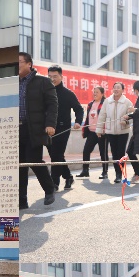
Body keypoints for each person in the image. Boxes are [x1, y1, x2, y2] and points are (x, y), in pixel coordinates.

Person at [17, 52, 58, 208]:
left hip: (34, 128)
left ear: (29, 64)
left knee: (33, 160)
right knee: (19, 166)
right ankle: (21, 200)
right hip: (15, 129)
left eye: (19, 62)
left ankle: (49, 189)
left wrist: (50, 124)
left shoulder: (42, 82)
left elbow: (52, 104)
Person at [46, 66, 85, 190]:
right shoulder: (45, 92)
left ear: (61, 77)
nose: (52, 79)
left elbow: (79, 109)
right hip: (48, 129)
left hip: (63, 129)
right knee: (55, 155)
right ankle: (68, 177)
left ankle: (54, 183)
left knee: (56, 155)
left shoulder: (68, 94)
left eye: (55, 76)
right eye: (50, 76)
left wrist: (78, 122)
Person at [96, 82, 133, 183]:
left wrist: (126, 121)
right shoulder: (107, 101)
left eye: (118, 88)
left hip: (123, 131)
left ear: (123, 90)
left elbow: (132, 116)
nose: (116, 89)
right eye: (114, 88)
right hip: (110, 131)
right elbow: (102, 116)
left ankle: (120, 174)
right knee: (114, 153)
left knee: (121, 152)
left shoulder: (127, 102)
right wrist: (99, 129)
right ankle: (117, 173)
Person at [78, 86, 107, 178]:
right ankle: (85, 170)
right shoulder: (90, 104)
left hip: (101, 132)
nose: (95, 94)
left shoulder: (105, 104)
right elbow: (88, 118)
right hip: (91, 132)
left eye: (97, 92)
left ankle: (104, 172)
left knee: (103, 152)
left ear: (102, 94)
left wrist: (104, 129)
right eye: (94, 92)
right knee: (86, 150)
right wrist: (85, 129)